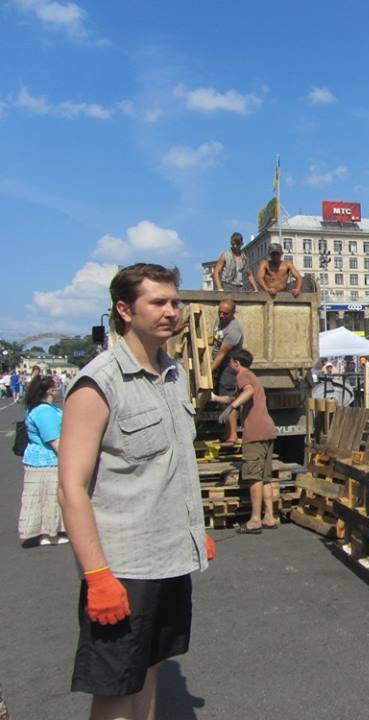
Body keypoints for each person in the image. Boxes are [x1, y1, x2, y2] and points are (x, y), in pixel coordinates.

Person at [58, 263, 215, 719]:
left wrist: (192, 528)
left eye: (175, 302)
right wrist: (98, 577)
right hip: (123, 567)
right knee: (114, 687)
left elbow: (170, 465)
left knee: (149, 669)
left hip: (168, 557)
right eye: (158, 302)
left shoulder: (174, 374)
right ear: (125, 310)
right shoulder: (98, 383)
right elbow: (71, 488)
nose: (172, 311)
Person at [216, 348, 278, 533]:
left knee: (253, 477)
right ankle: (269, 517)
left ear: (237, 363)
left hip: (255, 432)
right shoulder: (251, 375)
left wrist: (232, 408)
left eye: (230, 361)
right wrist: (215, 398)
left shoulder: (242, 375)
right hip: (268, 430)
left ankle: (254, 520)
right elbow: (235, 396)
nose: (229, 365)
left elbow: (248, 392)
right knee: (266, 478)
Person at [18, 375, 67, 546]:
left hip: (38, 460)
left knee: (40, 499)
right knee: (50, 499)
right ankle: (50, 534)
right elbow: (53, 439)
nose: (59, 387)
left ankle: (44, 532)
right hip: (47, 461)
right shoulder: (45, 411)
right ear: (50, 390)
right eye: (57, 385)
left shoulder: (38, 408)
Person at [211, 299, 244, 443]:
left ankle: (233, 436)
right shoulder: (219, 322)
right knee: (223, 401)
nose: (222, 315)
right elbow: (215, 340)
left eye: (225, 313)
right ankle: (227, 433)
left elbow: (222, 354)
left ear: (233, 313)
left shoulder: (234, 330)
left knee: (229, 400)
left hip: (229, 367)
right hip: (221, 365)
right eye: (220, 312)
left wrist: (209, 370)